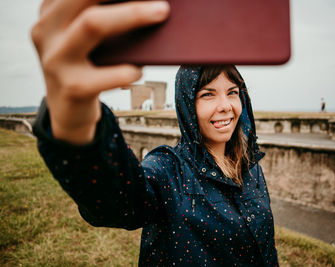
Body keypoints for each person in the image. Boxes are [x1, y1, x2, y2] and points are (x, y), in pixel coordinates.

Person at [31, 0, 278, 266]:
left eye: (232, 92)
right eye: (207, 94)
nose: (225, 106)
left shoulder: (250, 166)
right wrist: (76, 124)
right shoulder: (168, 169)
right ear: (187, 105)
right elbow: (117, 202)